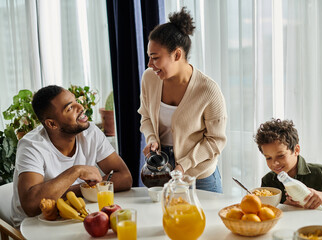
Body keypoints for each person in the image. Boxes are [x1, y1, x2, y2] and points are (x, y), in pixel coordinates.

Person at [10, 85, 132, 227]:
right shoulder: (32, 146)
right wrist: (76, 171)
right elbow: (31, 206)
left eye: (76, 101)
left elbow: (125, 177)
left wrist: (74, 190)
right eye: (70, 108)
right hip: (33, 226)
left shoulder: (91, 132)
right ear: (52, 124)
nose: (80, 107)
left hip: (73, 216)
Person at [138, 7, 227, 193]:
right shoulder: (149, 78)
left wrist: (184, 165)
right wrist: (152, 138)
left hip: (200, 176)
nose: (149, 64)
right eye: (149, 57)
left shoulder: (208, 90)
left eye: (155, 58)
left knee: (205, 222)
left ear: (177, 55)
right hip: (161, 171)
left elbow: (215, 140)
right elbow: (145, 116)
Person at [255, 118, 322, 213]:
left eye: (281, 156)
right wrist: (286, 206)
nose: (274, 163)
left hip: (319, 229)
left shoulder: (321, 173)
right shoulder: (268, 181)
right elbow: (265, 213)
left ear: (296, 150)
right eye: (268, 158)